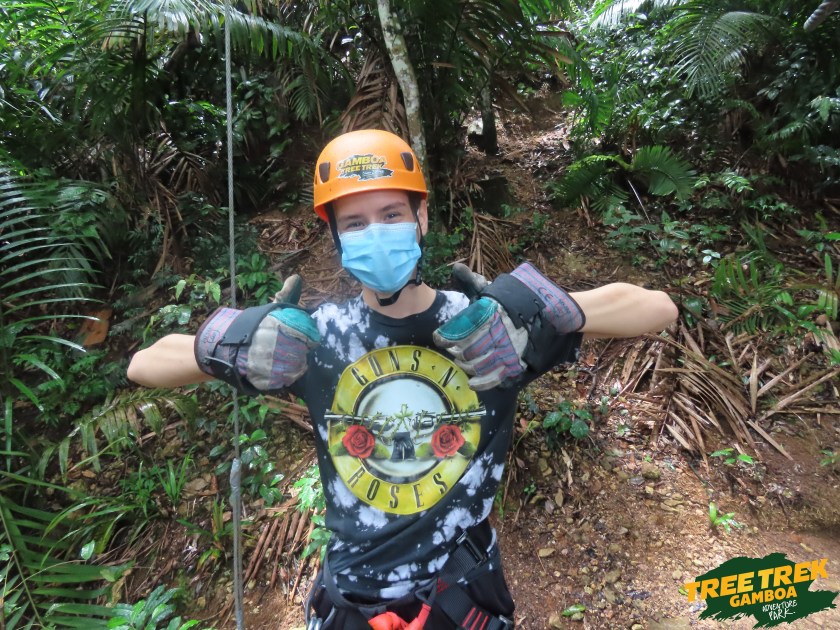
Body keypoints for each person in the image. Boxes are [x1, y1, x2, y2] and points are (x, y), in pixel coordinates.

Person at [127, 129, 678, 629]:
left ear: (422, 218)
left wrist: (536, 308)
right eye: (355, 223)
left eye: (392, 214)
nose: (376, 232)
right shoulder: (313, 338)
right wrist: (235, 343)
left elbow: (657, 308)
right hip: (351, 598)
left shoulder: (483, 329)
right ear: (337, 238)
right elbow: (144, 364)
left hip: (462, 596)